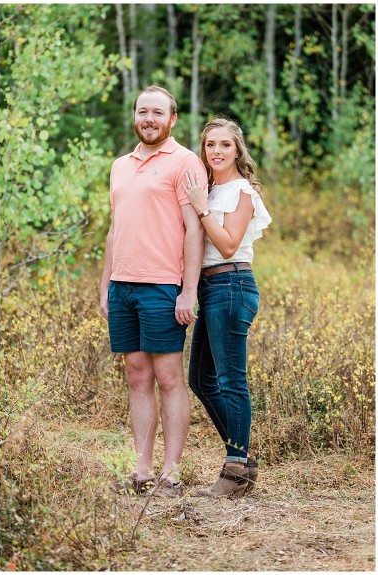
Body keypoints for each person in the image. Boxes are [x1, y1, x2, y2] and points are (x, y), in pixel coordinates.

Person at [99, 86, 207, 497]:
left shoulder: (186, 163)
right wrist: (106, 283)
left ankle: (171, 471)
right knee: (137, 374)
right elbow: (115, 227)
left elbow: (194, 229)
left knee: (168, 377)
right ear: (134, 115)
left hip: (163, 285)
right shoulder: (120, 165)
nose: (149, 119)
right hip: (123, 285)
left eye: (157, 113)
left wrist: (188, 290)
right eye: (143, 111)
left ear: (172, 119)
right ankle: (141, 468)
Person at [183, 117, 271, 497]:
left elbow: (229, 243)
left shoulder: (241, 192)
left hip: (231, 284)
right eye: (210, 145)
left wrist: (202, 210)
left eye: (225, 145)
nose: (216, 151)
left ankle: (235, 471)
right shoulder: (208, 189)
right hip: (210, 288)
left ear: (238, 150)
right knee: (200, 379)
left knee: (231, 380)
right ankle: (243, 459)